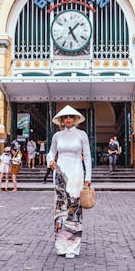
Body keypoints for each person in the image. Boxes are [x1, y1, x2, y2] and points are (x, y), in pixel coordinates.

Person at [47, 105, 92, 259]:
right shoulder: (57, 136)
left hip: (77, 174)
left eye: (71, 117)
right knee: (60, 210)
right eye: (65, 117)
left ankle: (73, 246)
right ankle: (61, 245)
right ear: (61, 120)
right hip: (60, 175)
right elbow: (51, 152)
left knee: (74, 211)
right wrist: (51, 161)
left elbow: (87, 157)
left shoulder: (82, 135)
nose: (68, 119)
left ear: (75, 119)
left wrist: (88, 178)